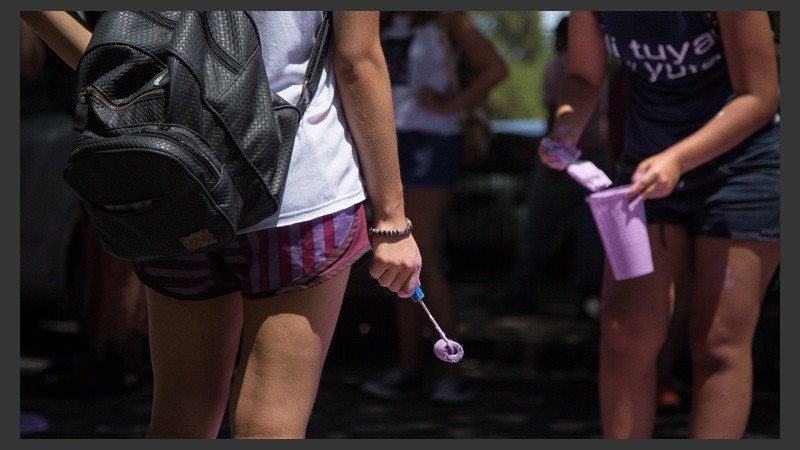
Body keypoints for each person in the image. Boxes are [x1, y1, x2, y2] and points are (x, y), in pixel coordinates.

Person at [21, 10, 423, 439]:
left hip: (175, 179)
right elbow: (357, 61)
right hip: (297, 190)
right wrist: (392, 221)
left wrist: (131, 80)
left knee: (179, 421)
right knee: (271, 426)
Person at [539, 11, 780, 438]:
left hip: (742, 170)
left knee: (717, 345)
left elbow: (760, 96)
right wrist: (565, 129)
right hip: (645, 172)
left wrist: (679, 160)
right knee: (624, 335)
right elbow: (582, 76)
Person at [359, 11, 507, 405]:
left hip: (431, 141)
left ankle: (451, 372)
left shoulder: (446, 18)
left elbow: (495, 69)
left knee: (420, 253)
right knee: (395, 260)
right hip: (387, 141)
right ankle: (409, 371)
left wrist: (450, 106)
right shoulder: (378, 18)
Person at [20, 13, 151, 396]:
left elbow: (29, 61)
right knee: (103, 246)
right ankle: (111, 350)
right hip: (99, 117)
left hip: (127, 115)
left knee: (120, 254)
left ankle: (120, 351)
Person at [497, 14, 608, 318]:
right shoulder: (594, 68)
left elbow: (551, 114)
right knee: (589, 233)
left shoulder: (562, 66)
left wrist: (552, 154)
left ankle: (522, 287)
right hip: (589, 156)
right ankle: (588, 296)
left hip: (567, 158)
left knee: (539, 229)